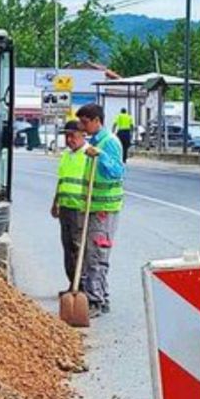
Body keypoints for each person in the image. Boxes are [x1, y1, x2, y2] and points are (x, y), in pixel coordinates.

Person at [77, 103, 125, 317]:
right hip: (92, 207)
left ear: (97, 120)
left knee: (97, 255)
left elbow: (117, 171)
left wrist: (101, 156)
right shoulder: (94, 143)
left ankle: (95, 301)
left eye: (85, 122)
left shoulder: (109, 143)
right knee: (89, 255)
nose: (82, 126)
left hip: (105, 207)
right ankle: (99, 297)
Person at [51, 121, 90, 291]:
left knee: (78, 248)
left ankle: (82, 286)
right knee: (67, 248)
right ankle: (72, 284)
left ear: (83, 135)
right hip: (65, 207)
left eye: (72, 136)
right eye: (66, 136)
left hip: (80, 209)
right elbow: (62, 180)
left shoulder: (90, 155)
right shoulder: (66, 155)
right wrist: (55, 202)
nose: (69, 139)